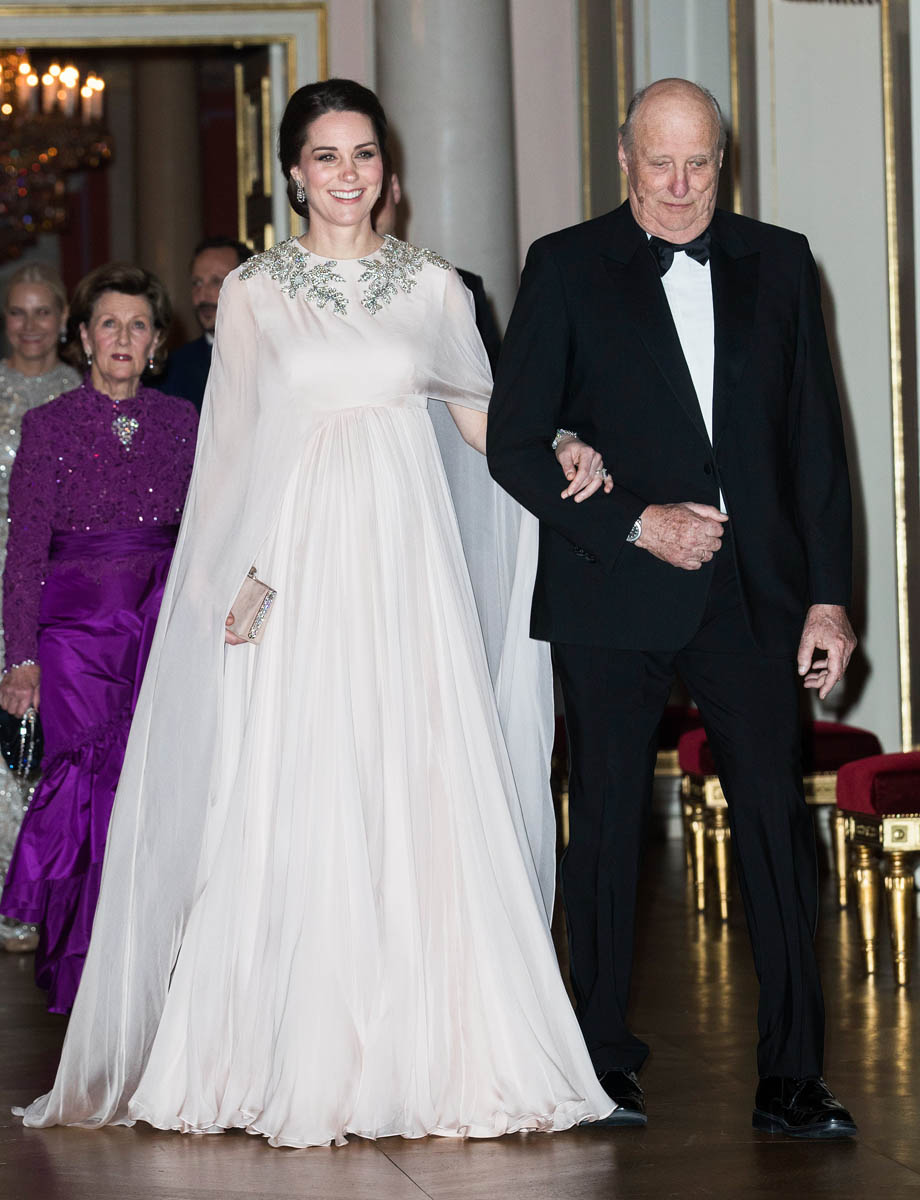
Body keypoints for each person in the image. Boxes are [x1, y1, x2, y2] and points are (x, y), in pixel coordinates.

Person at [13, 79, 616, 1147]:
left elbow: (483, 420)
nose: (347, 175)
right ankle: (283, 1048)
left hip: (405, 570)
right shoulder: (253, 292)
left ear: (387, 167)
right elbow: (233, 452)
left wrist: (557, 442)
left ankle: (433, 1048)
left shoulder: (433, 287)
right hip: (292, 568)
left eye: (363, 154)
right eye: (327, 156)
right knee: (298, 779)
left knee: (413, 774)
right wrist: (232, 584)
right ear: (293, 171)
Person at [487, 78, 858, 1139]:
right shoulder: (564, 265)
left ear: (721, 161)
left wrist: (828, 599)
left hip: (753, 594)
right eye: (661, 164)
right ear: (624, 160)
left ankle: (793, 1078)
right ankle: (602, 1061)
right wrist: (635, 524)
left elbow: (815, 447)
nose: (682, 186)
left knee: (776, 831)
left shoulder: (781, 261)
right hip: (611, 588)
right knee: (605, 832)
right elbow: (516, 443)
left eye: (700, 164)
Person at [0, 263, 198, 1013]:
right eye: (108, 323)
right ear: (83, 337)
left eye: (137, 325)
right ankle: (84, 973)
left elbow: (205, 532)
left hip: (161, 626)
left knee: (155, 791)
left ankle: (149, 965)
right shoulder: (47, 426)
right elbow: (24, 553)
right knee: (87, 791)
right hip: (75, 637)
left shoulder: (183, 421)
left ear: (156, 342)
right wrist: (21, 657)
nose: (122, 337)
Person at [0, 263, 80, 954]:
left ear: (64, 321)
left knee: (39, 735)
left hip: (52, 587)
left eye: (42, 312)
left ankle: (36, 893)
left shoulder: (80, 395)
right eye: (17, 312)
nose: (30, 326)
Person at [159, 236, 253, 411]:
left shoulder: (279, 357)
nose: (202, 295)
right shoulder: (171, 370)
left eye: (216, 281)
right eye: (197, 283)